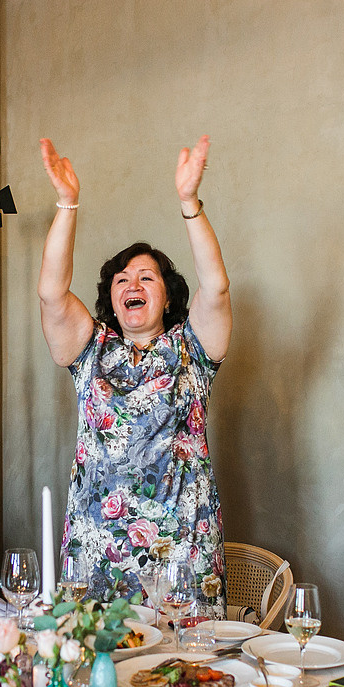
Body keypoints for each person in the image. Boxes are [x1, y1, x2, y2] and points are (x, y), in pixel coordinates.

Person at [37, 135, 232, 613]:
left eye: (146, 277)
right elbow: (51, 294)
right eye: (121, 279)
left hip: (183, 554)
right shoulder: (91, 349)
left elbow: (216, 287)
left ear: (168, 296)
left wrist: (190, 203)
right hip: (97, 556)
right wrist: (67, 204)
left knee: (188, 661)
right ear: (112, 298)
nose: (132, 283)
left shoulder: (192, 347)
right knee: (97, 658)